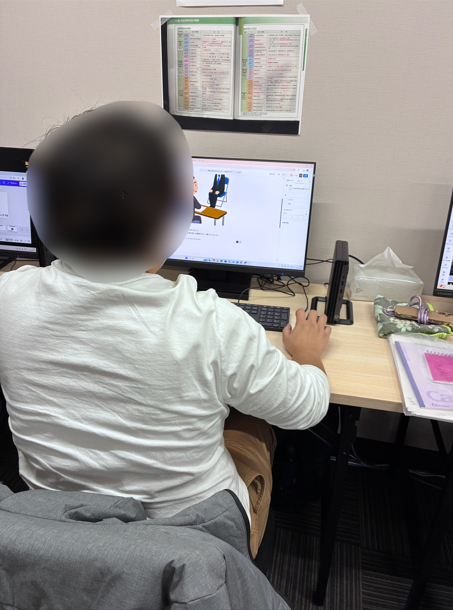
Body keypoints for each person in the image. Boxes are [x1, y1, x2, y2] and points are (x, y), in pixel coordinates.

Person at [0, 101, 331, 558]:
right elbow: (306, 409)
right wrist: (308, 354)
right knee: (256, 419)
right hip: (187, 548)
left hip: (56, 530)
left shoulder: (8, 298)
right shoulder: (211, 324)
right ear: (173, 213)